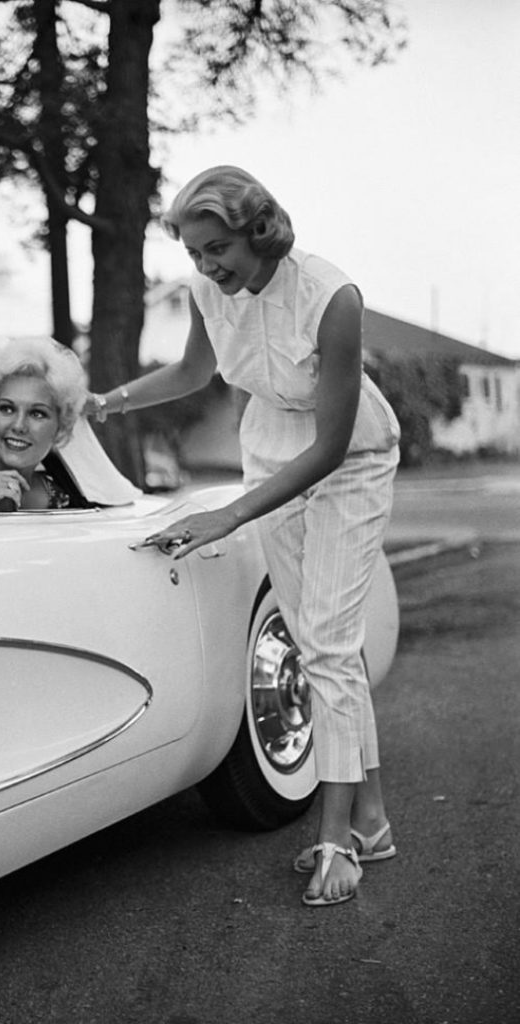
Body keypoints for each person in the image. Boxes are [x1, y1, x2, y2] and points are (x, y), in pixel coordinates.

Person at [88, 165, 401, 907]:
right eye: (195, 253)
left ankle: (332, 839)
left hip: (347, 460)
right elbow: (196, 371)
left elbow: (327, 449)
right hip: (268, 453)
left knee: (324, 643)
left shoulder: (332, 297)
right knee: (320, 638)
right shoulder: (207, 292)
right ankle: (375, 819)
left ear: (259, 228)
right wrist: (108, 401)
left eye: (217, 247)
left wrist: (229, 515)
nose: (206, 266)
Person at [0, 335, 88, 510]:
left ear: (61, 428)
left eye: (37, 413)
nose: (19, 426)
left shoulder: (56, 496)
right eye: (7, 409)